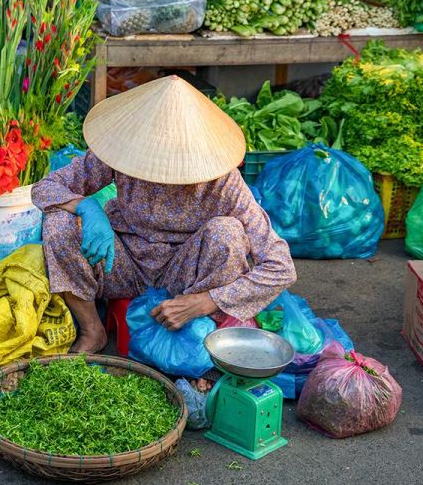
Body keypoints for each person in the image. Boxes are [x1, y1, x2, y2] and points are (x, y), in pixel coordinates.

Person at [31, 75, 297, 357]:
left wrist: (207, 301)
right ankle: (92, 329)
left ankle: (197, 337)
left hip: (188, 274)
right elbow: (44, 189)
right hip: (122, 263)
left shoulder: (223, 182)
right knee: (59, 223)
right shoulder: (124, 153)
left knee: (227, 233)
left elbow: (281, 267)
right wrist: (86, 206)